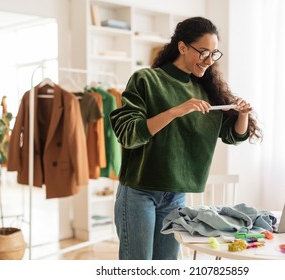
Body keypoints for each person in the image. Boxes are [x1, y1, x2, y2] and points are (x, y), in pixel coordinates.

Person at [109, 16, 263, 260]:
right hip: (140, 192)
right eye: (203, 52)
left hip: (176, 195)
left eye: (214, 54)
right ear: (182, 47)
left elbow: (233, 136)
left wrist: (243, 115)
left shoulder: (207, 90)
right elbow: (129, 134)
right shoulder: (146, 80)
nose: (209, 60)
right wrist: (176, 111)